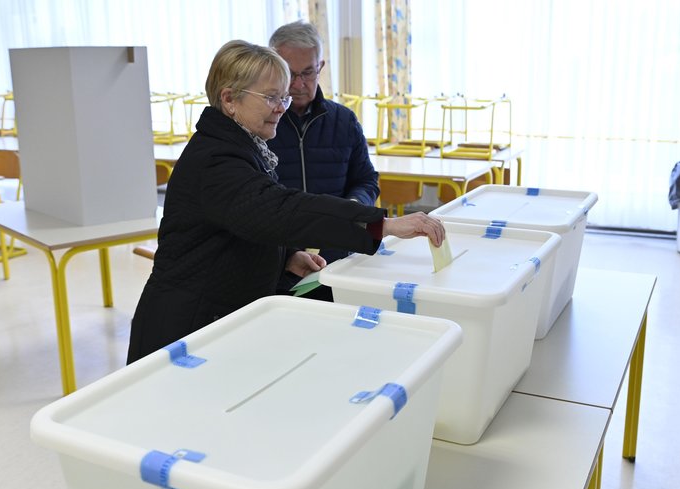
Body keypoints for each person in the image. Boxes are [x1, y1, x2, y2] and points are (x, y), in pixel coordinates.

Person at [126, 40, 445, 365]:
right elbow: (281, 209)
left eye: (283, 97)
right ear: (229, 99)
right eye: (271, 97)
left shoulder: (245, 147)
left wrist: (286, 257)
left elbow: (245, 225)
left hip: (214, 319)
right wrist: (382, 224)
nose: (281, 106)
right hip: (185, 329)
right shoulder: (216, 160)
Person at [267, 21, 379, 300]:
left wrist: (356, 206)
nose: (298, 84)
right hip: (278, 261)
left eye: (307, 72)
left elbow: (366, 180)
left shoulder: (344, 121)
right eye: (289, 74)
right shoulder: (263, 124)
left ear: (321, 66)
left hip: (338, 256)